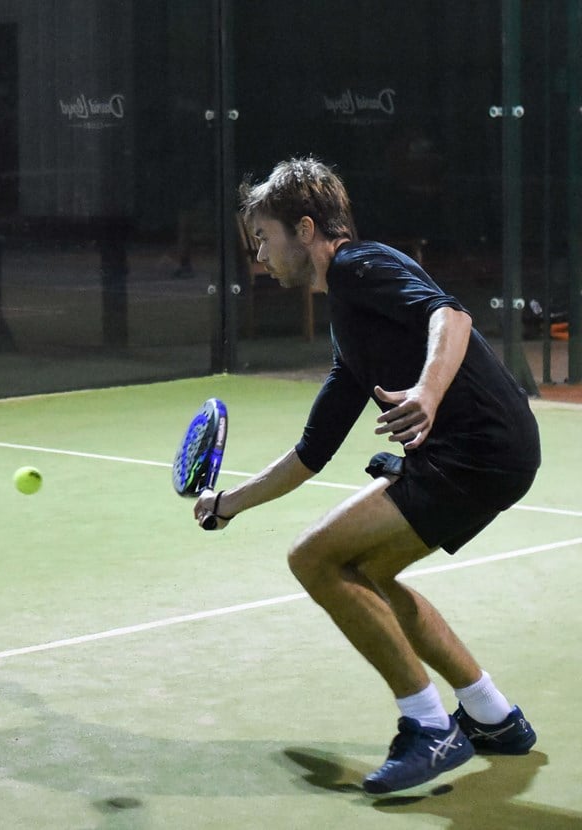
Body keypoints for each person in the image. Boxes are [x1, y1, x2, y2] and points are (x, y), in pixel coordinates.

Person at [196, 157, 540, 794]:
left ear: (304, 229)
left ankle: (429, 727)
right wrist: (229, 503)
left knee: (314, 560)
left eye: (263, 239)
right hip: (494, 452)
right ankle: (494, 717)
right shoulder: (351, 329)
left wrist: (428, 395)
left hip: (477, 450)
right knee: (370, 572)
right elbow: (312, 452)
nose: (259, 257)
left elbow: (451, 317)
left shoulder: (357, 266)